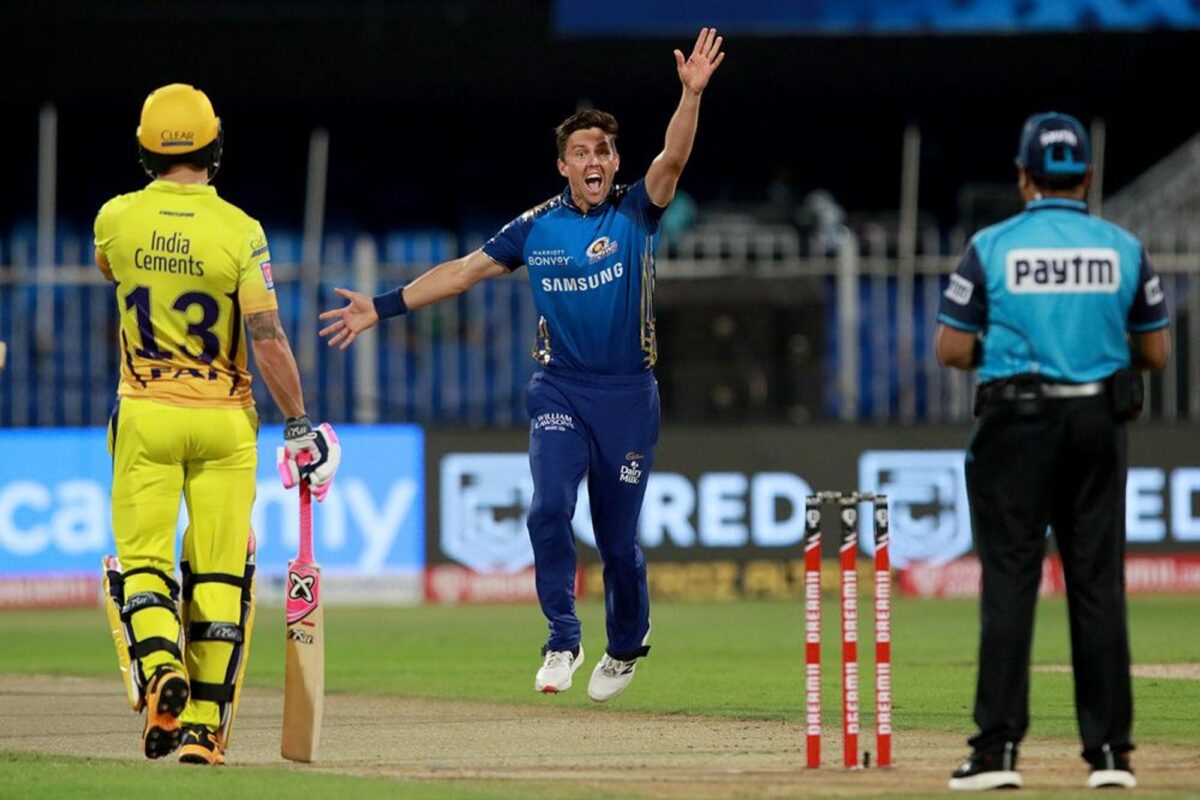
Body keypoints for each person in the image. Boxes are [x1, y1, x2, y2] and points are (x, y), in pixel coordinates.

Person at [320, 29, 724, 702]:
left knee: (618, 545)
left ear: (615, 161)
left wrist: (691, 95)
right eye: (580, 152)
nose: (593, 160)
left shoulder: (636, 211)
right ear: (563, 166)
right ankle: (563, 637)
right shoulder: (535, 228)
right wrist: (381, 307)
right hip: (560, 389)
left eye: (602, 151)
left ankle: (626, 644)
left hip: (628, 397)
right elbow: (462, 272)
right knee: (547, 508)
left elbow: (674, 157)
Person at [94, 83, 340, 765]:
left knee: (144, 564)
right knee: (220, 576)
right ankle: (202, 730)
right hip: (225, 421)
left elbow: (108, 267)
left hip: (145, 412)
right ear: (216, 144)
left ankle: (159, 668)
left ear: (145, 149)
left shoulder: (115, 217)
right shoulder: (240, 230)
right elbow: (267, 337)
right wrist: (299, 423)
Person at [936, 111, 1170, 791]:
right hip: (1098, 421)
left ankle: (997, 753)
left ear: (1023, 176)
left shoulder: (992, 245)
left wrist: (1007, 356)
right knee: (1097, 584)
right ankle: (1110, 756)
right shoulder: (1123, 247)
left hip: (1017, 423)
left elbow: (952, 348)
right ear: (1086, 176)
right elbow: (1156, 351)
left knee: (1011, 582)